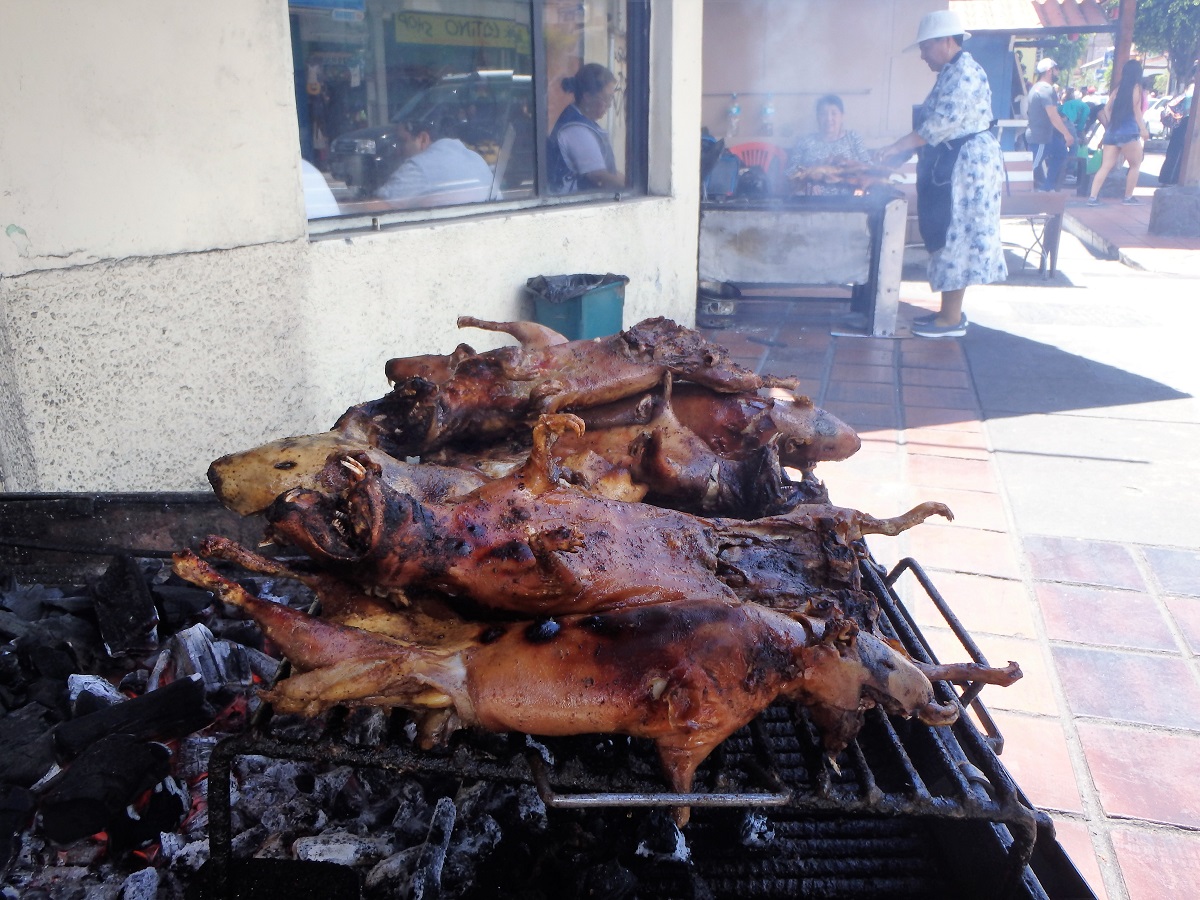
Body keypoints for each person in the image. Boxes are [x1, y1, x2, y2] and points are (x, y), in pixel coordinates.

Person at [873, 10, 1006, 339]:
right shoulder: (952, 71)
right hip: (955, 162)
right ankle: (949, 314)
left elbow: (936, 126)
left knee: (955, 235)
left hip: (966, 168)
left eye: (925, 47)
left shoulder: (963, 74)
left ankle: (951, 319)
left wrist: (894, 149)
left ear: (946, 41)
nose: (921, 54)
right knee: (950, 234)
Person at [375, 113, 497, 205]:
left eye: (403, 141)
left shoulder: (420, 166)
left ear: (423, 139)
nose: (398, 149)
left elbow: (377, 209)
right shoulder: (475, 158)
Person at [547, 63, 625, 194]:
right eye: (606, 98)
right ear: (587, 97)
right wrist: (631, 186)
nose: (610, 105)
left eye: (611, 98)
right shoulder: (576, 130)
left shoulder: (583, 122)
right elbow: (598, 176)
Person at [1087, 59, 1150, 206]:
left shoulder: (1118, 89)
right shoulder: (1137, 88)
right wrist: (1143, 129)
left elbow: (1106, 109)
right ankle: (1128, 197)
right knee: (1135, 165)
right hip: (1129, 133)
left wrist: (1111, 124)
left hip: (1112, 132)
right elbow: (1136, 111)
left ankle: (1092, 197)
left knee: (1106, 166)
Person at [786, 94, 870, 194]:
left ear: (842, 116)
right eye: (823, 114)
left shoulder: (853, 138)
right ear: (817, 117)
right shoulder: (805, 141)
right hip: (812, 201)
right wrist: (805, 184)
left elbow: (868, 167)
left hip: (849, 200)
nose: (829, 118)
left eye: (834, 113)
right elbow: (790, 173)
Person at [1026, 58, 1076, 191]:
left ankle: (1047, 186)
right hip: (1040, 137)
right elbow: (1052, 115)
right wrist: (1067, 134)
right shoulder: (1047, 89)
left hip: (1044, 135)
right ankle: (1017, 191)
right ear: (1049, 71)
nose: (1058, 72)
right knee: (1031, 167)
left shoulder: (1036, 87)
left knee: (1060, 152)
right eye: (1056, 69)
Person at [1159, 64, 1195, 186]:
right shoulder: (1194, 88)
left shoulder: (1187, 88)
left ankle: (1168, 177)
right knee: (1180, 151)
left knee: (1175, 150)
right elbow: (1189, 109)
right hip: (1186, 122)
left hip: (1181, 122)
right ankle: (1171, 178)